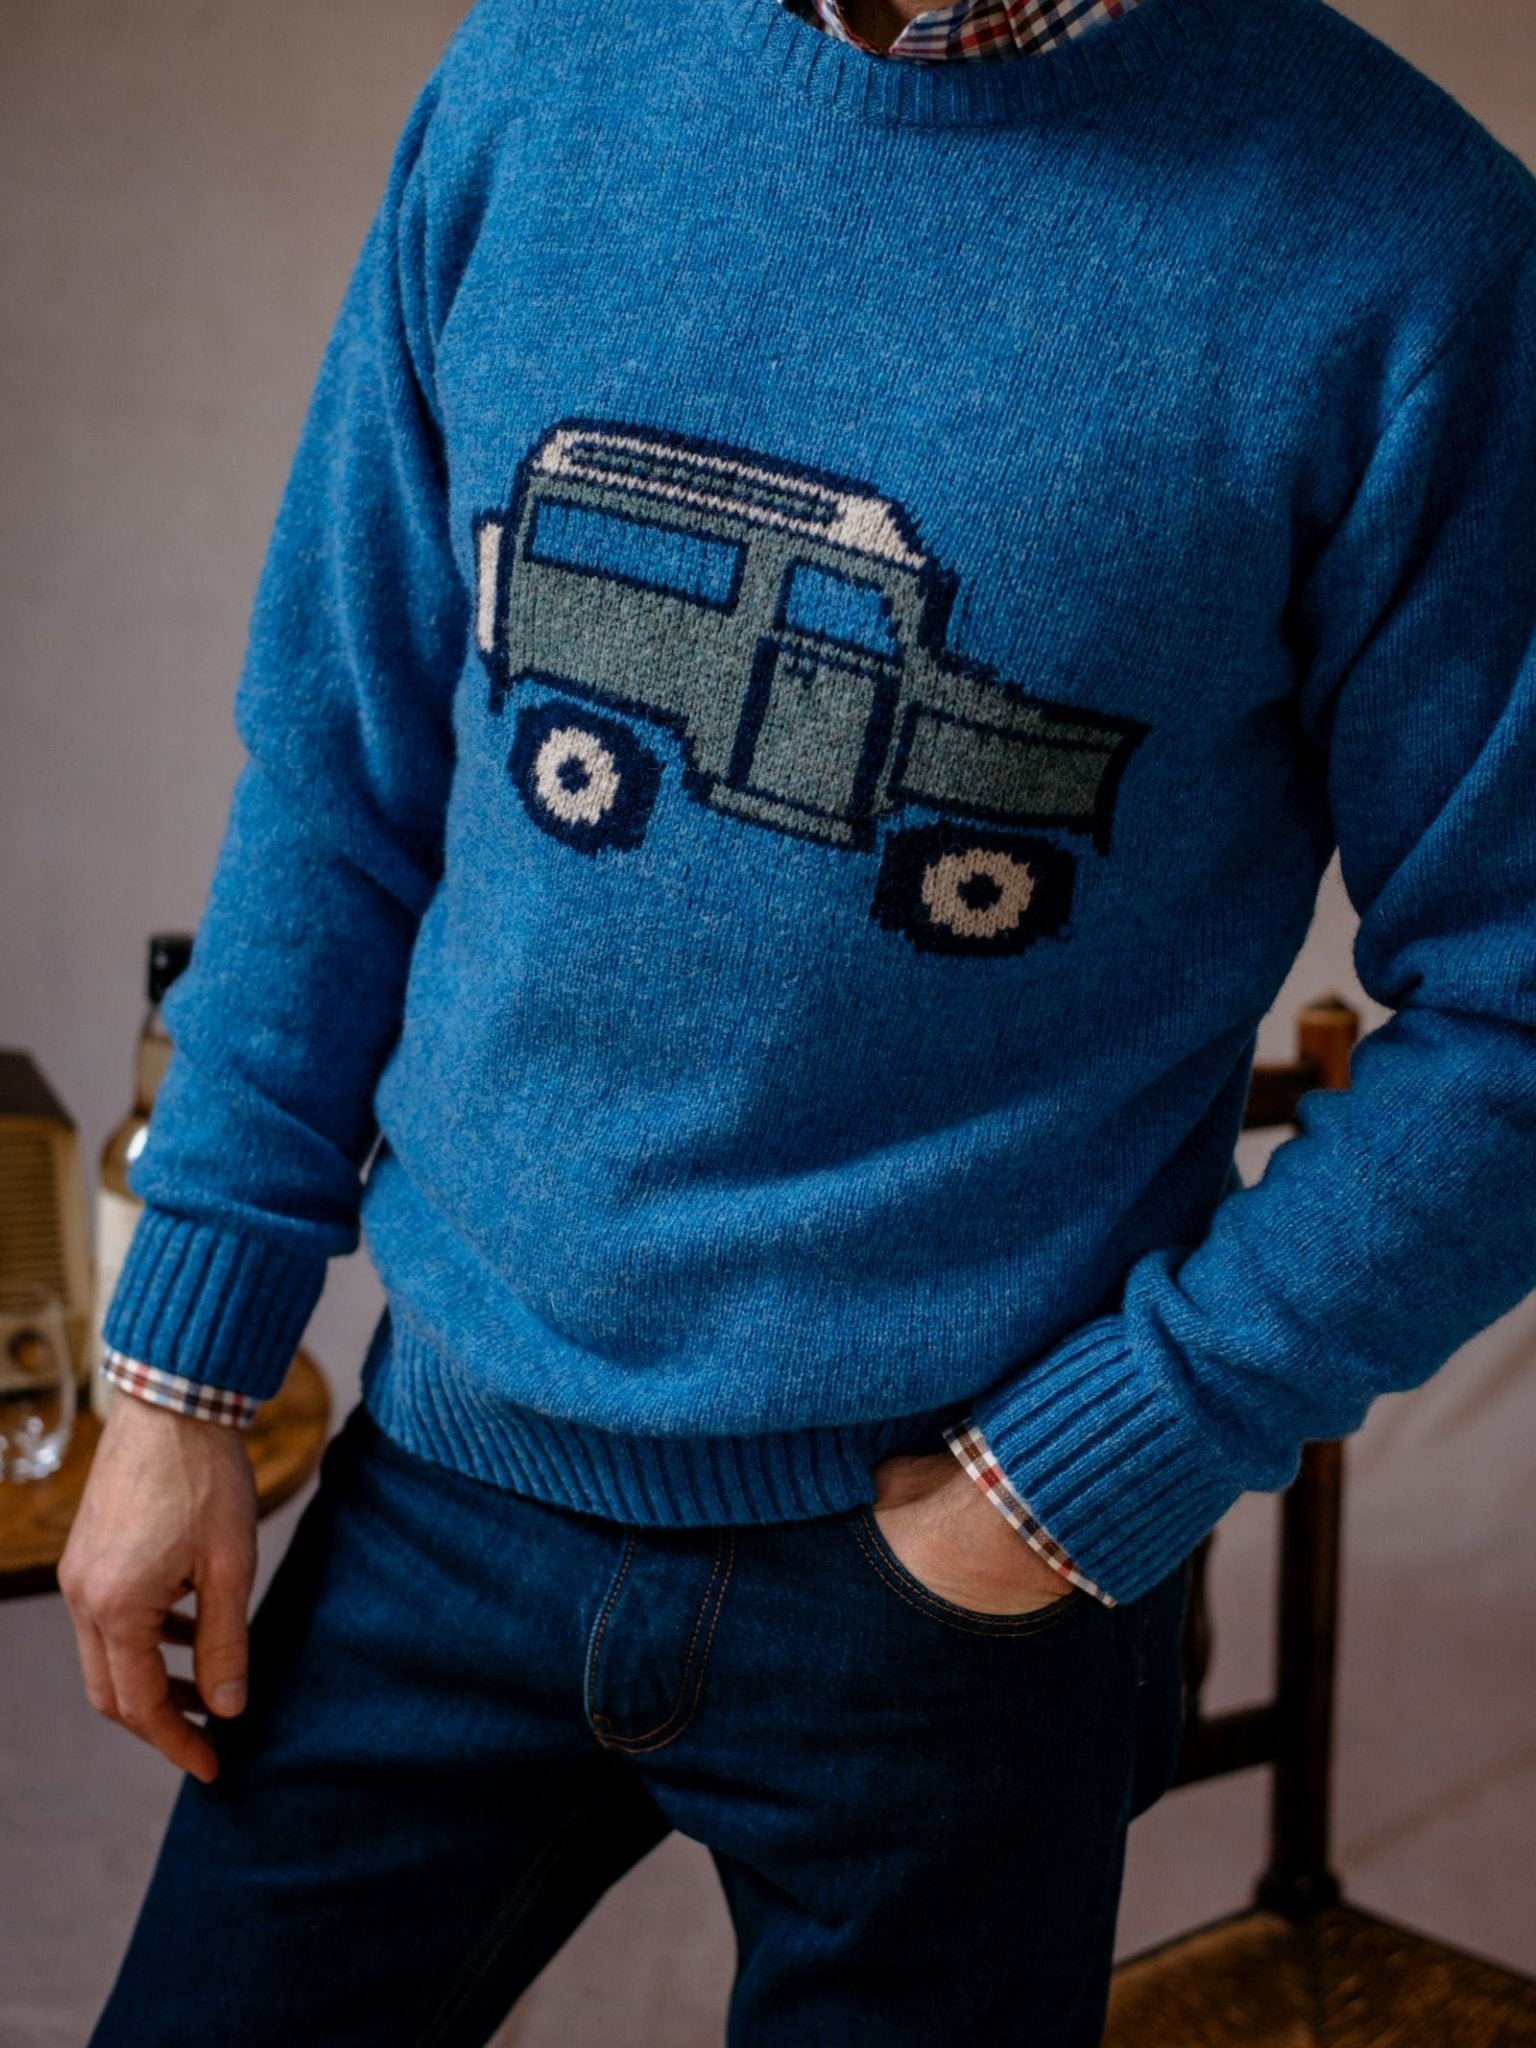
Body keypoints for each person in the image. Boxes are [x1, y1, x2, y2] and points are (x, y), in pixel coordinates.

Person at [60, 0, 1536, 2039]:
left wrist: (1101, 1461)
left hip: (955, 1566)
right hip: (451, 1472)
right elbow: (344, 769)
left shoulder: (1409, 249)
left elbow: (1518, 1001)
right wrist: (179, 1382)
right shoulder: (538, 81)